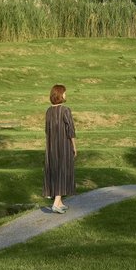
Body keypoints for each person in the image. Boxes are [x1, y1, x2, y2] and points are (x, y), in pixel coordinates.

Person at [44, 84, 77, 214]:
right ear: (59, 94)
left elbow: (47, 130)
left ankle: (60, 202)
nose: (65, 95)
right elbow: (70, 130)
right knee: (63, 172)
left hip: (52, 147)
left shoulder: (48, 111)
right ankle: (56, 203)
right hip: (64, 146)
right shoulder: (65, 110)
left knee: (55, 171)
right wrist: (74, 146)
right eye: (64, 93)